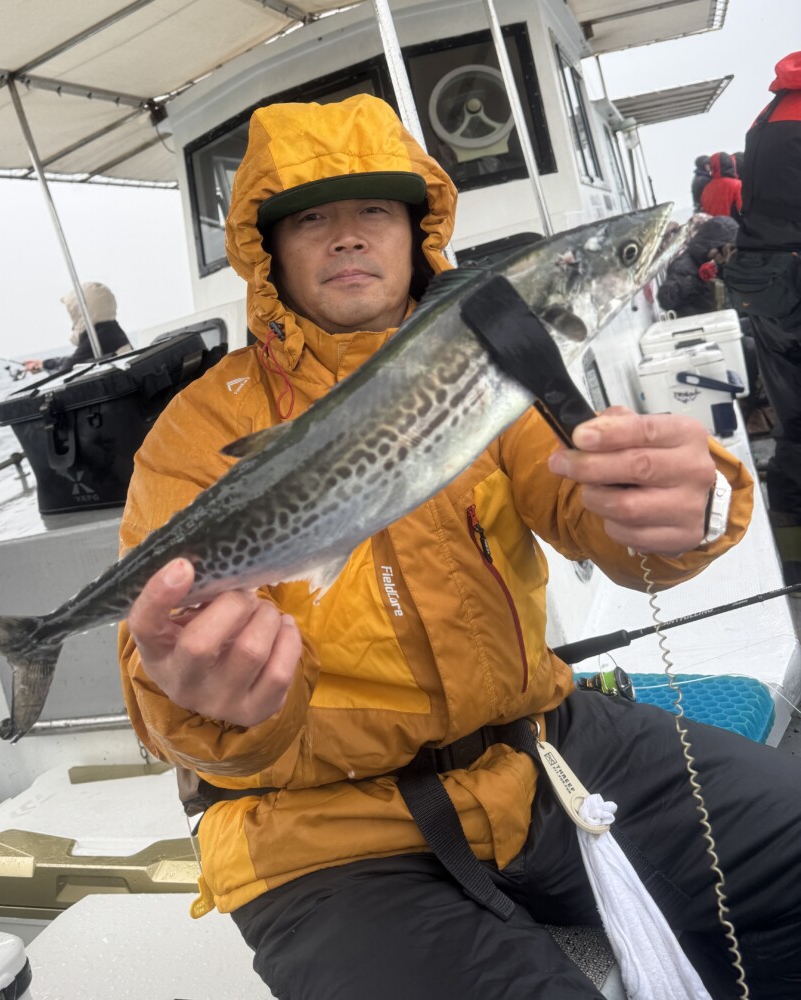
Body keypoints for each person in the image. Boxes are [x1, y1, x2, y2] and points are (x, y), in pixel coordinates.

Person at [118, 95, 801, 998]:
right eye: (312, 217)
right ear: (266, 249)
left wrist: (697, 502)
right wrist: (197, 705)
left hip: (537, 750)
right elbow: (150, 661)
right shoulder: (195, 427)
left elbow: (589, 502)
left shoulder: (490, 353)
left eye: (374, 209)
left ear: (416, 231)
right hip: (316, 829)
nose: (348, 237)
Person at [734, 51, 801, 584]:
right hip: (794, 275)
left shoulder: (768, 118)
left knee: (795, 420)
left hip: (765, 286)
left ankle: (794, 553)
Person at [24, 281, 132, 374]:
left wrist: (47, 367)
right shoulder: (111, 331)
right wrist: (44, 364)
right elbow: (79, 361)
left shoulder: (98, 339)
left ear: (80, 313)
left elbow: (65, 373)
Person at [657, 214, 739, 317]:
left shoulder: (723, 270)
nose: (728, 256)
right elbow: (666, 297)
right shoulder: (685, 264)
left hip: (721, 324)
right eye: (727, 250)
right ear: (714, 245)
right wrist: (698, 279)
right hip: (697, 326)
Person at [699, 151, 743, 219]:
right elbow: (743, 209)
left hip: (713, 226)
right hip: (732, 226)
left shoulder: (707, 188)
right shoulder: (737, 185)